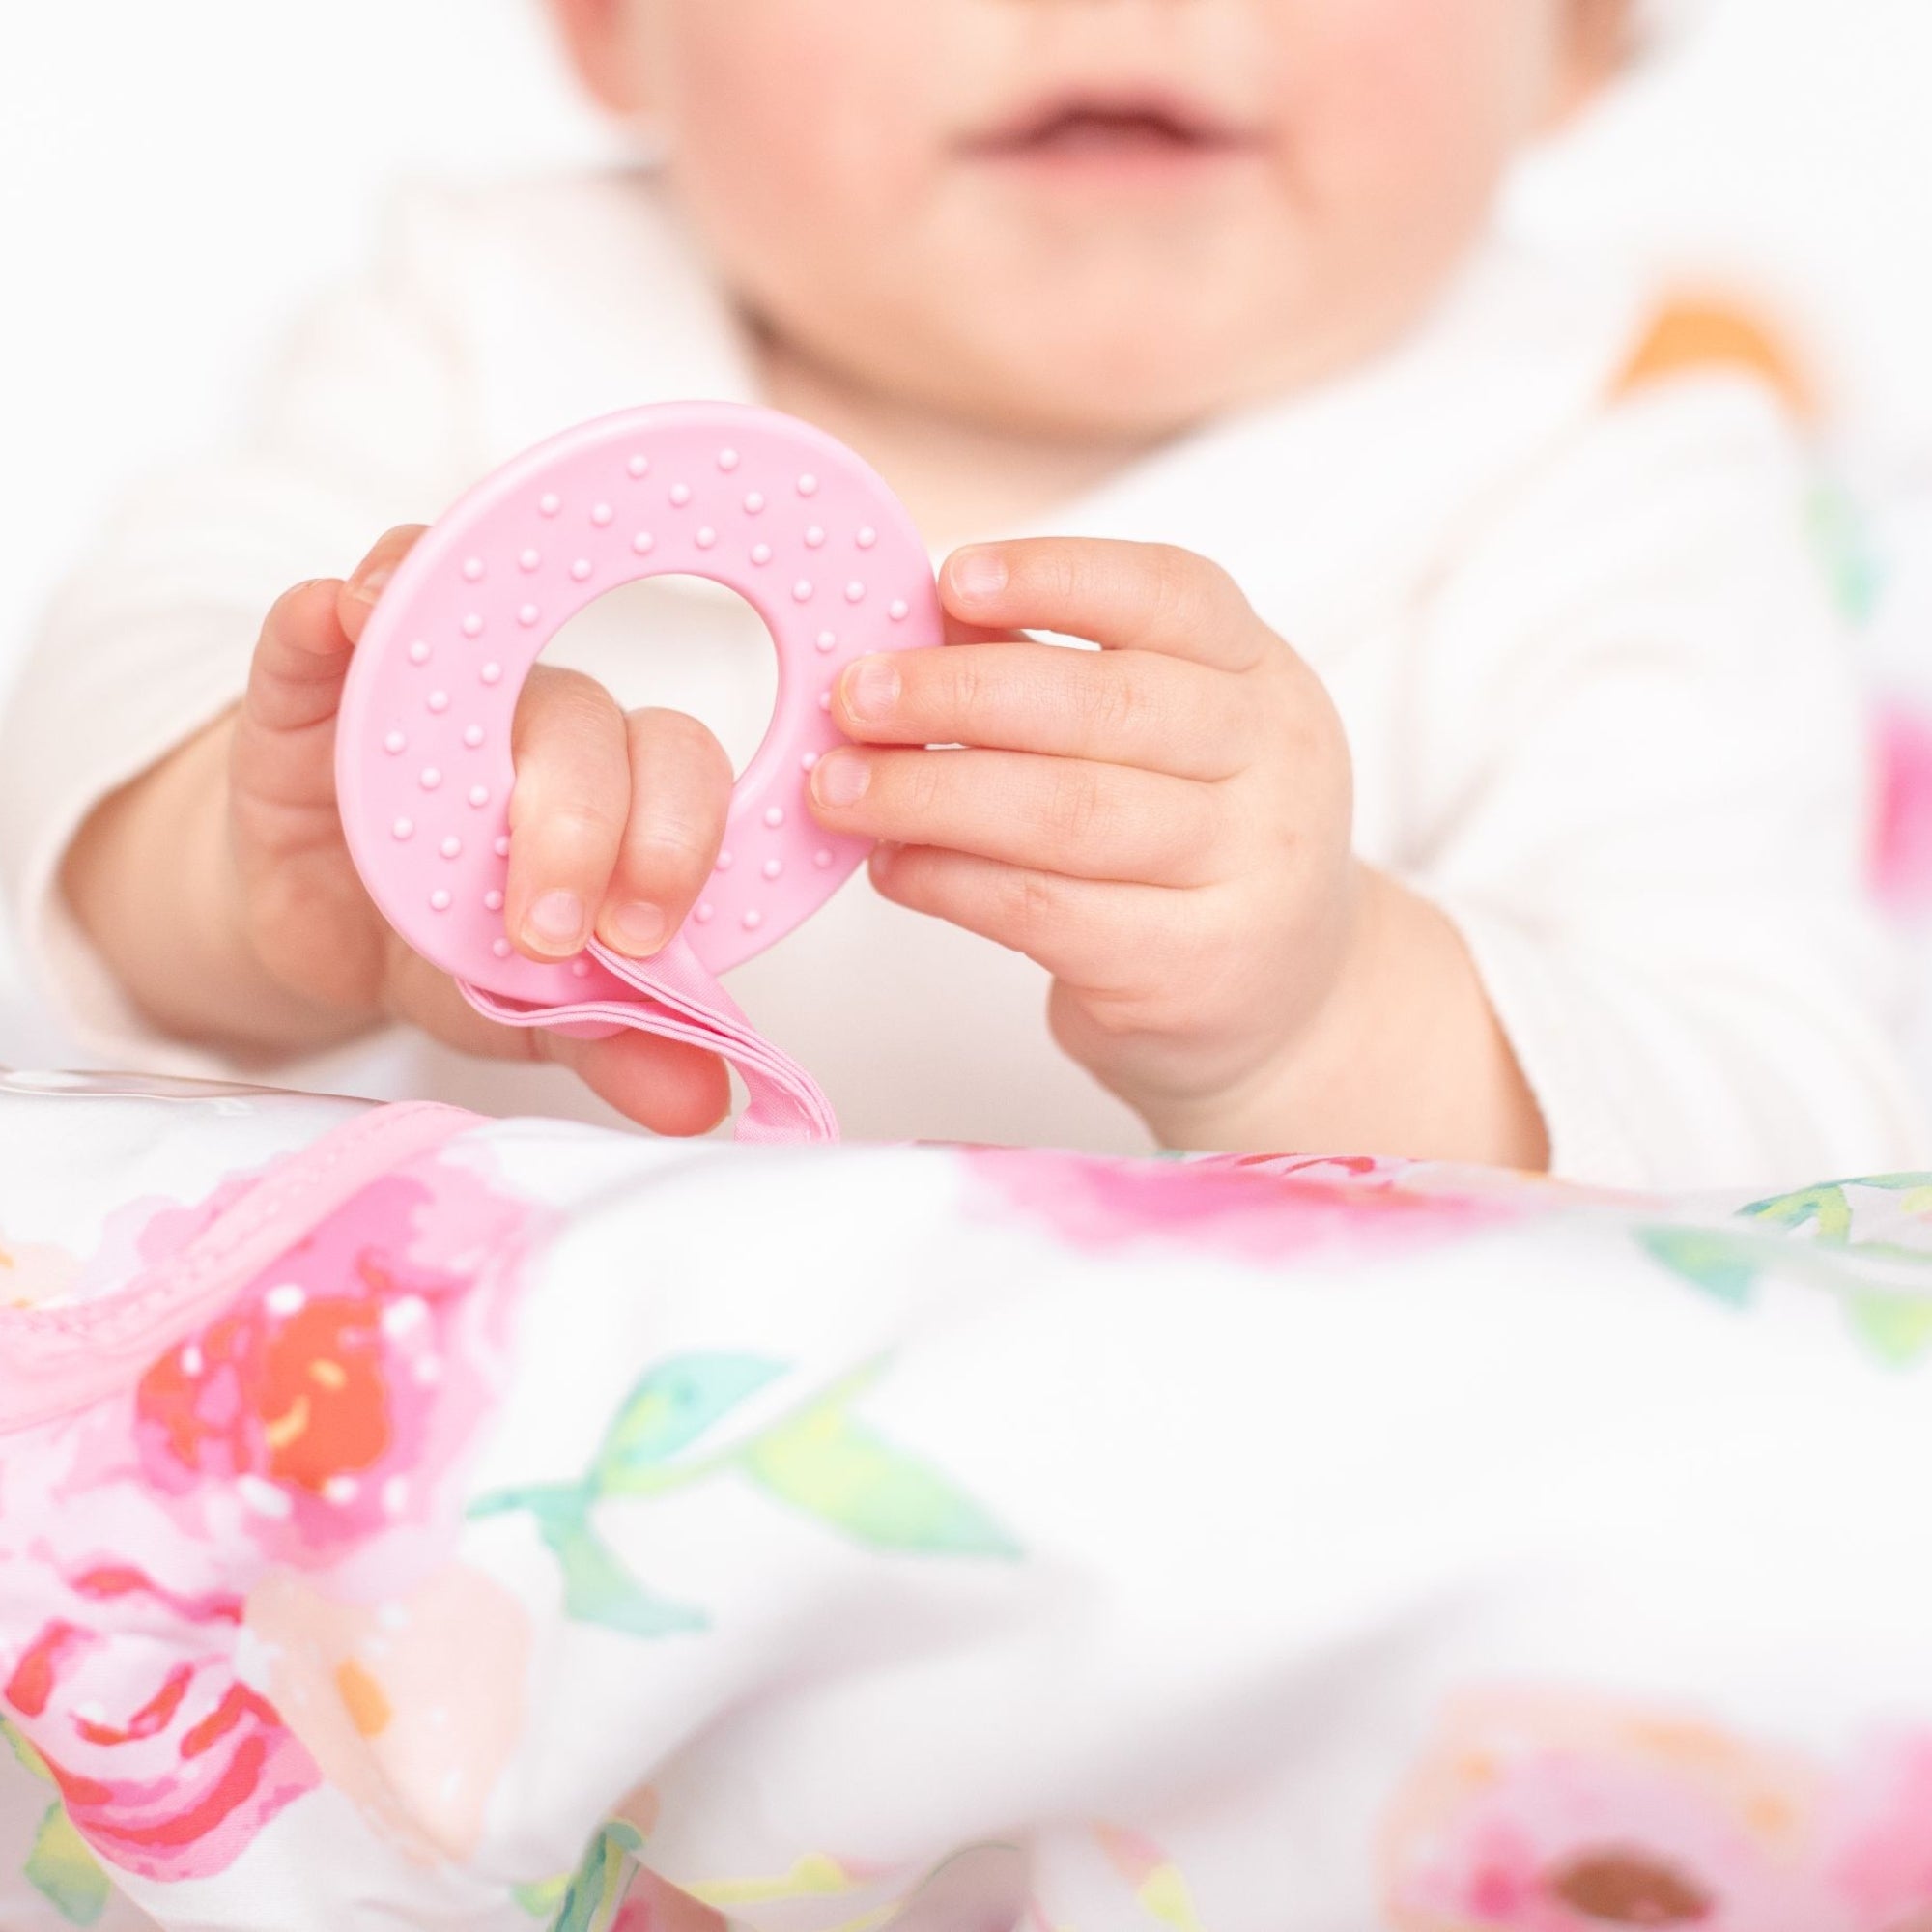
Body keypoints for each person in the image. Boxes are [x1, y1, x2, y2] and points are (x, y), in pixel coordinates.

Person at [2, 0, 1919, 1185]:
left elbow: (1791, 1145)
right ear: (608, 16)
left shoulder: (1612, 467)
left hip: (1239, 1604)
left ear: (1578, 25)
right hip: (541, 1571)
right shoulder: (481, 324)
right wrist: (250, 870)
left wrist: (1333, 1010)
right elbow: (112, 690)